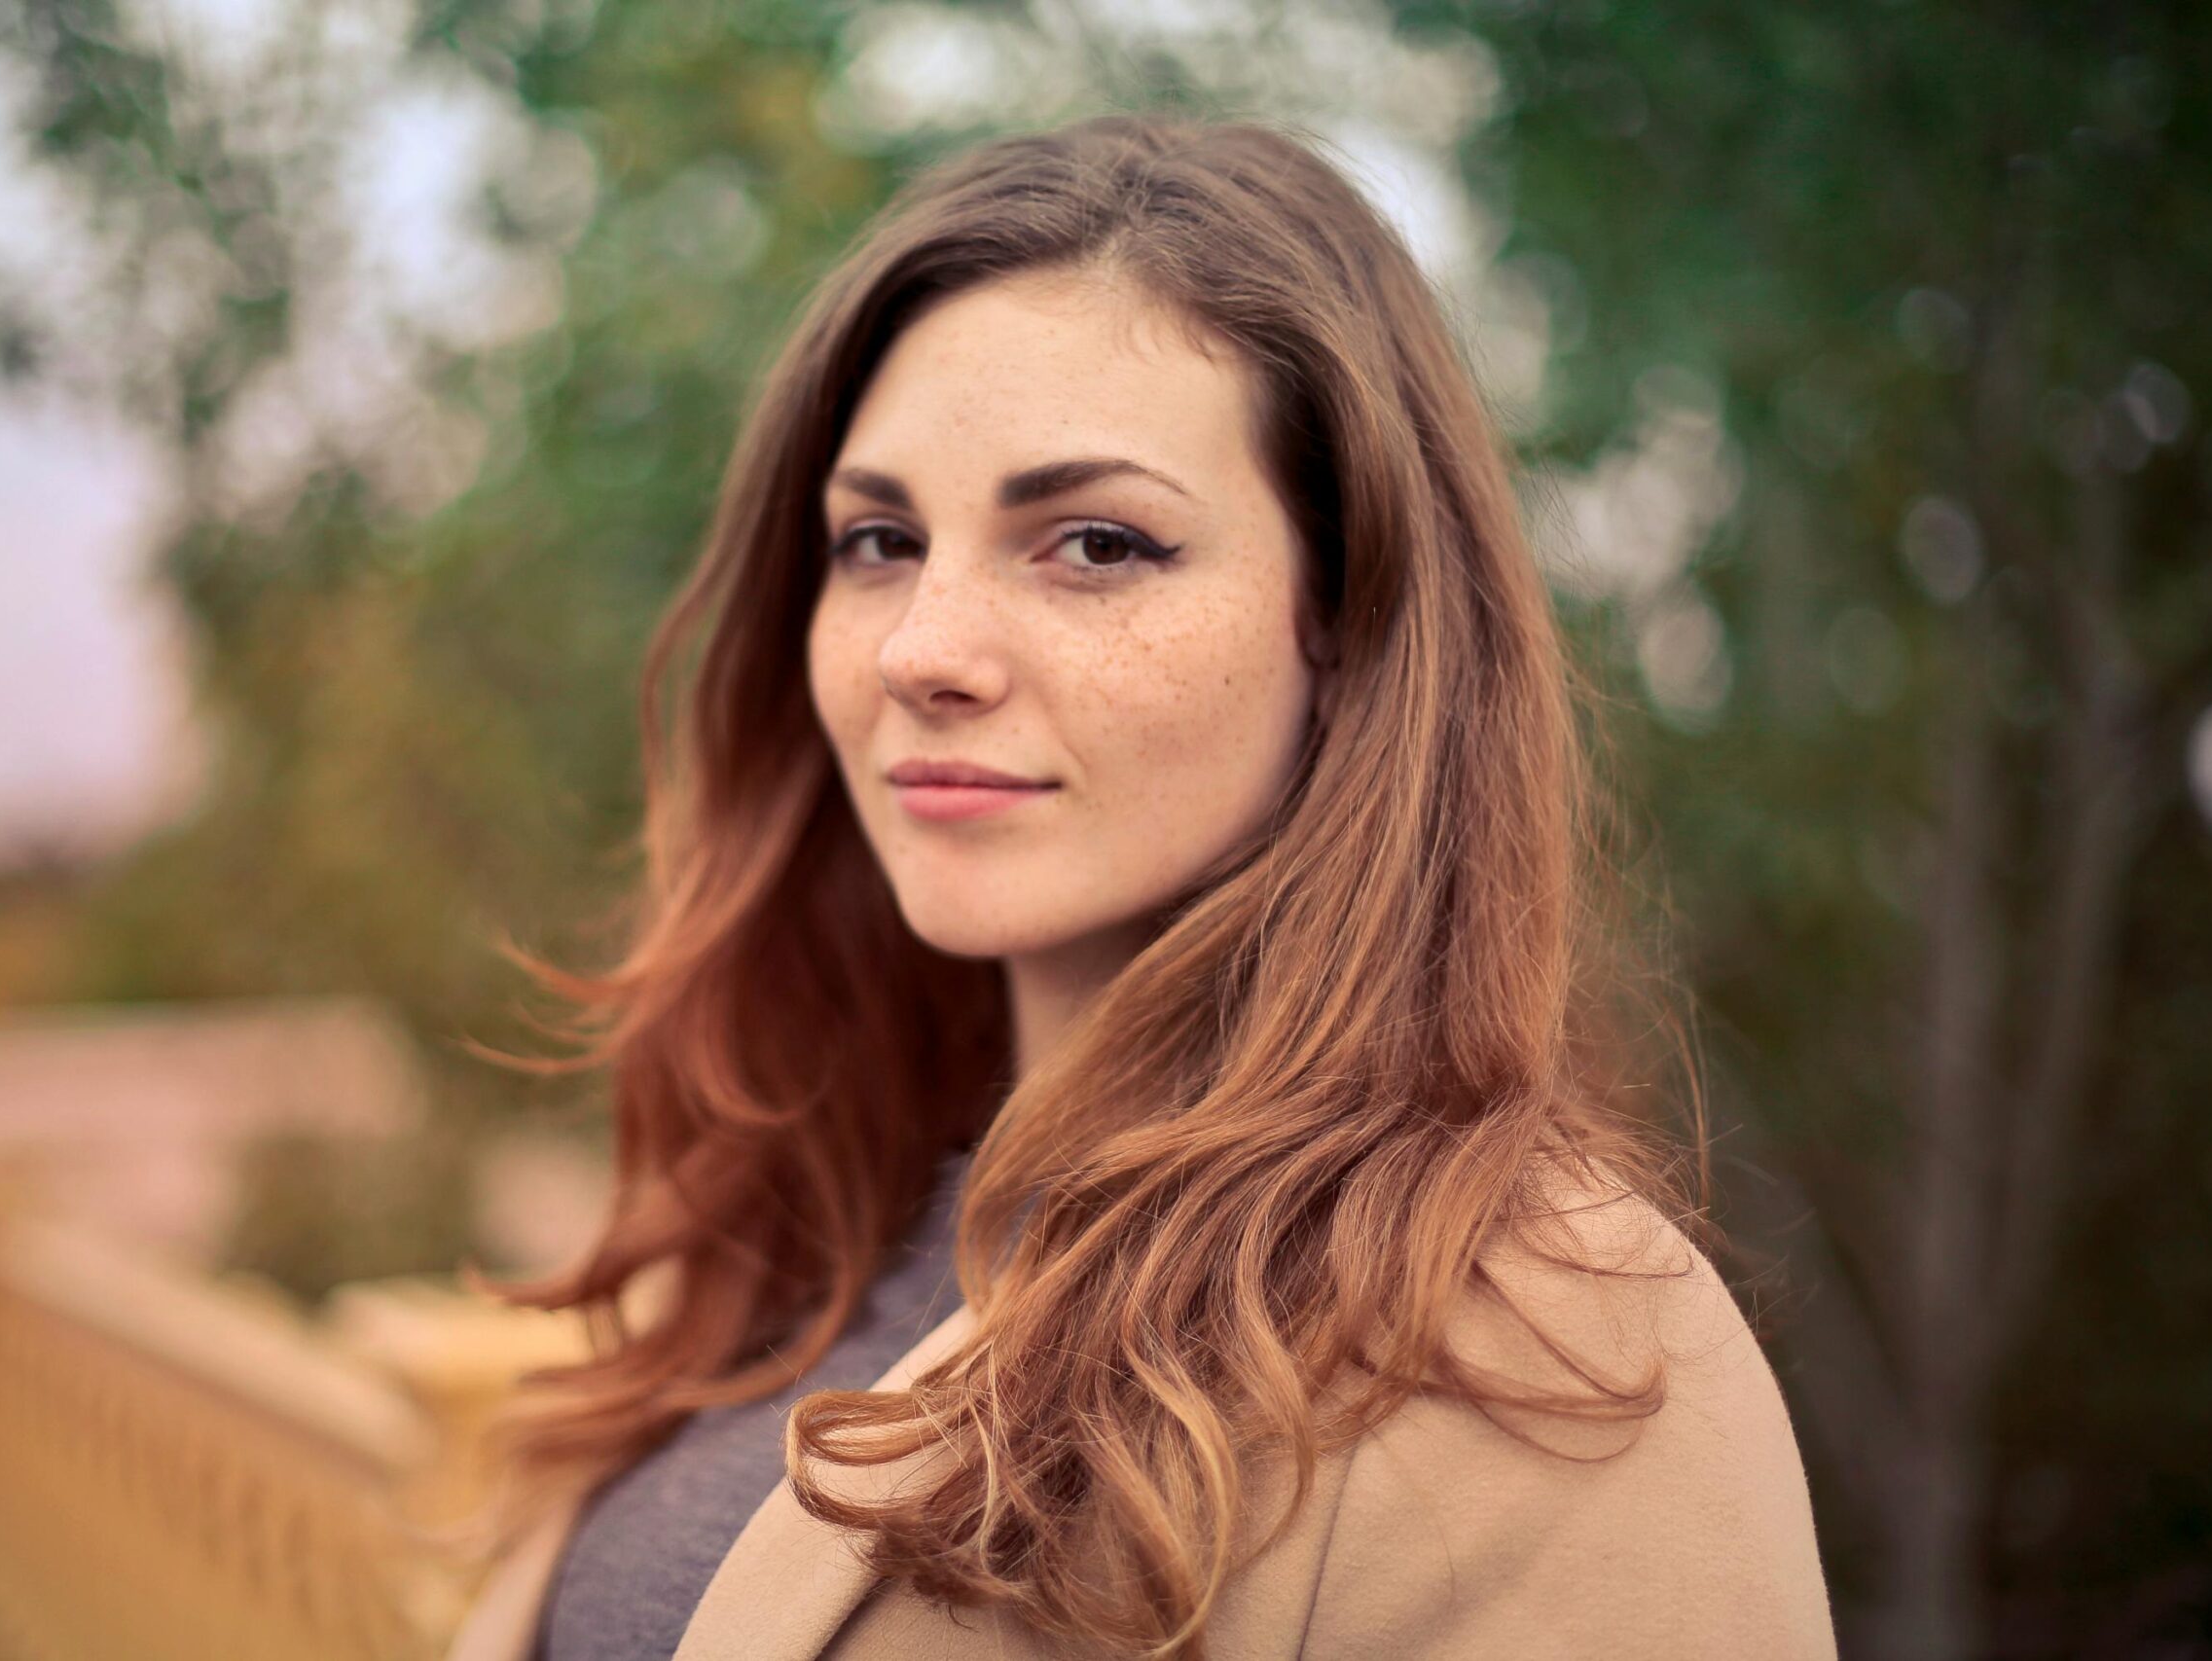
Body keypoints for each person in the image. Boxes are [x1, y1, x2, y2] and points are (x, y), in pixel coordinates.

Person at [446, 112, 1836, 1661]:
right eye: (880, 540)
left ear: (1348, 617)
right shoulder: (805, 1225)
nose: (924, 651)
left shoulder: (1545, 1345)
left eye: (1096, 544)